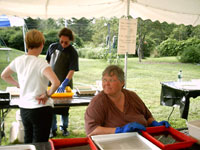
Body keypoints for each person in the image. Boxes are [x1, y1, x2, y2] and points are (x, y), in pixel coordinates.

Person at [1, 29, 60, 143]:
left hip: (24, 109)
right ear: (42, 44)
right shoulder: (41, 63)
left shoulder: (18, 60)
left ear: (26, 43)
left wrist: (18, 84)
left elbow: (4, 75)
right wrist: (47, 95)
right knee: (40, 144)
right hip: (40, 108)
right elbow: (56, 82)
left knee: (28, 141)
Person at [85, 65, 170, 136]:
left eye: (111, 80)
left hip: (141, 141)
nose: (107, 84)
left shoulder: (132, 96)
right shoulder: (98, 102)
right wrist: (119, 130)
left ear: (122, 83)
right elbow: (91, 131)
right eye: (104, 80)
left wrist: (155, 124)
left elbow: (148, 117)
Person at [46, 27, 79, 137]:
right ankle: (52, 129)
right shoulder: (52, 47)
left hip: (65, 83)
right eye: (62, 41)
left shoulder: (73, 52)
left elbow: (72, 69)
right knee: (51, 106)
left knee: (64, 108)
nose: (64, 44)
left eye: (66, 42)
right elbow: (47, 62)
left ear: (71, 40)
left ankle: (64, 128)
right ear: (59, 38)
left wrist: (64, 82)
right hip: (50, 82)